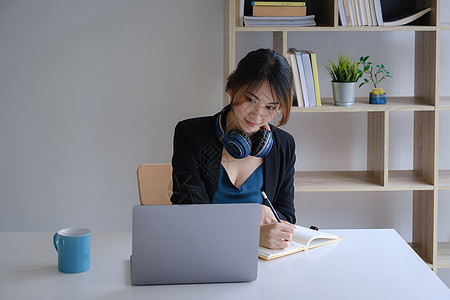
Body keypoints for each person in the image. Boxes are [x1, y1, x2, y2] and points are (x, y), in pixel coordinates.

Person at [170, 48, 296, 250]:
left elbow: (286, 215)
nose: (256, 115)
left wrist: (267, 229)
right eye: (250, 100)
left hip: (261, 259)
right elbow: (190, 213)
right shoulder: (191, 135)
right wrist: (251, 226)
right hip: (200, 250)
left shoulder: (283, 145)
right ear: (232, 88)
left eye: (270, 107)